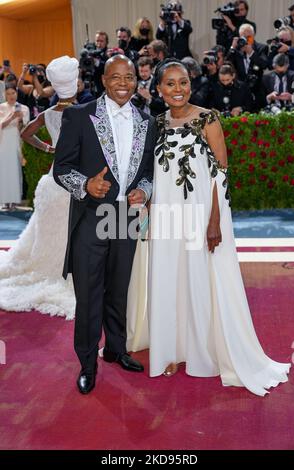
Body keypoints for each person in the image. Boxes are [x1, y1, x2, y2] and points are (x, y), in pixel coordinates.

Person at [147, 59, 291, 396]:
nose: (178, 89)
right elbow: (153, 175)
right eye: (170, 83)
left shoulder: (208, 117)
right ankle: (172, 351)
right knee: (170, 278)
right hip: (167, 217)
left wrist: (214, 220)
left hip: (200, 214)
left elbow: (220, 172)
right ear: (158, 89)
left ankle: (204, 352)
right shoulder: (155, 123)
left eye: (183, 82)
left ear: (191, 83)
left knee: (199, 277)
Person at [53, 55, 157, 395]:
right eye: (116, 77)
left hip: (125, 217)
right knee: (89, 294)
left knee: (118, 288)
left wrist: (144, 189)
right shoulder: (79, 115)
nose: (124, 83)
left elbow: (148, 173)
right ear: (103, 79)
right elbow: (62, 168)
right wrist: (85, 186)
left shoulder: (147, 120)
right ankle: (87, 363)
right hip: (91, 216)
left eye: (129, 77)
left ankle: (115, 349)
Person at [0, 56, 79, 317]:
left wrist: (48, 148)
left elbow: (25, 133)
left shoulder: (48, 114)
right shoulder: (84, 112)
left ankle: (51, 265)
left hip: (56, 177)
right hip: (79, 177)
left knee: (51, 229)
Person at [0, 85, 29, 210]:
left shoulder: (24, 108)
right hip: (3, 142)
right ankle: (4, 201)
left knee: (15, 170)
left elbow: (26, 128)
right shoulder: (1, 107)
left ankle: (15, 200)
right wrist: (12, 116)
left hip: (17, 141)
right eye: (8, 94)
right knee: (4, 170)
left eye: (13, 93)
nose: (11, 96)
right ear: (4, 95)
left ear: (16, 93)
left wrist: (21, 119)